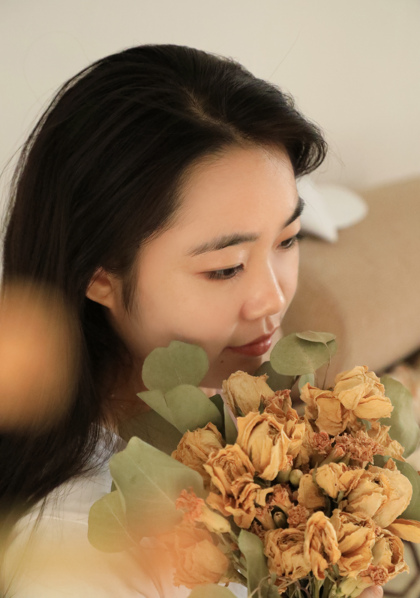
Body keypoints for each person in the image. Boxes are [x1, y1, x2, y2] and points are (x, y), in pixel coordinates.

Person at [0, 45, 383, 597]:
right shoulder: (78, 551)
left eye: (288, 239)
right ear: (99, 275)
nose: (272, 299)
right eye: (225, 269)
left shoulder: (240, 412)